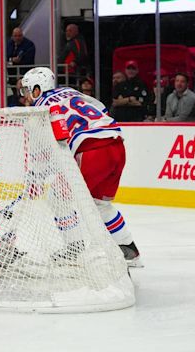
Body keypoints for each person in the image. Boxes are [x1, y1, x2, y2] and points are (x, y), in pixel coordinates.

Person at [21, 67, 141, 267]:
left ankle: (73, 248)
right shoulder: (70, 92)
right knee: (99, 203)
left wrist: (34, 178)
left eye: (27, 90)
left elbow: (42, 153)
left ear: (37, 88)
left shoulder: (40, 109)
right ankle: (129, 250)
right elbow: (101, 108)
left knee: (57, 196)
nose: (25, 96)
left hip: (93, 150)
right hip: (116, 143)